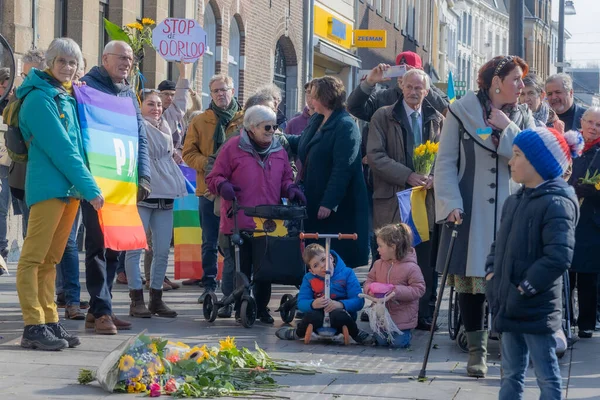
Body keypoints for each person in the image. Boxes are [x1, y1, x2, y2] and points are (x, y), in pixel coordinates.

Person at [433, 55, 535, 378]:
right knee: (471, 281)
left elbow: (535, 157)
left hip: (512, 210)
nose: (521, 86)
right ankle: (476, 351)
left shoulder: (525, 117)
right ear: (495, 82)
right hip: (470, 209)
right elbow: (446, 161)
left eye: (521, 80)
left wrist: (509, 130)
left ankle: (509, 348)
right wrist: (449, 202)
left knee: (509, 284)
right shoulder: (460, 111)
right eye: (515, 80)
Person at [15, 38, 103, 350]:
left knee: (51, 260)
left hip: (69, 190)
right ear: (50, 63)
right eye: (62, 61)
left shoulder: (63, 96)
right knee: (33, 259)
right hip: (49, 188)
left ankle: (49, 320)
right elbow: (62, 149)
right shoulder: (39, 99)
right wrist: (91, 188)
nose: (67, 67)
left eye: (72, 62)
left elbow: (79, 146)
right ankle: (33, 325)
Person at [485, 127, 581, 400]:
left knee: (546, 375)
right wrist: (492, 273)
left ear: (539, 163)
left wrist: (525, 287)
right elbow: (499, 243)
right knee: (510, 374)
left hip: (535, 306)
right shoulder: (514, 200)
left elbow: (558, 256)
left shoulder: (556, 203)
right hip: (508, 302)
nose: (510, 161)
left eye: (517, 155)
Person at [206, 105, 304, 324]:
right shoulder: (232, 147)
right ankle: (237, 303)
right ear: (251, 128)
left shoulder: (279, 150)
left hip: (269, 220)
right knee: (241, 265)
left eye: (275, 127)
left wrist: (291, 189)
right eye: (267, 127)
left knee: (264, 267)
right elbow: (213, 177)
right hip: (239, 217)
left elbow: (286, 177)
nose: (272, 131)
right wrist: (223, 186)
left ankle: (260, 308)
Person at [80, 40, 151, 335]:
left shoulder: (129, 95)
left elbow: (140, 136)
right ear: (105, 59)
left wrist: (143, 177)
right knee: (97, 245)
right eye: (121, 58)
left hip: (123, 180)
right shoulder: (86, 87)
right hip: (97, 181)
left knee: (114, 247)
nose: (127, 64)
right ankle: (102, 310)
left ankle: (99, 309)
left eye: (130, 60)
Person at [367, 68, 443, 331]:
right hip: (392, 199)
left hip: (425, 202)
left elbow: (445, 157)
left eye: (418, 88)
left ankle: (421, 314)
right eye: (409, 87)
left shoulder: (436, 119)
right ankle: (381, 310)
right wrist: (408, 176)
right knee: (389, 255)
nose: (413, 92)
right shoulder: (383, 116)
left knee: (422, 259)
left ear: (427, 90)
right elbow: (375, 156)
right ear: (401, 86)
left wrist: (433, 176)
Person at [286, 76, 369, 268]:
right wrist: (280, 137)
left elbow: (343, 168)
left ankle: (333, 294)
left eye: (313, 96)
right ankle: (317, 291)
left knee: (334, 257)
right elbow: (304, 144)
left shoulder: (345, 126)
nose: (310, 101)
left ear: (324, 98)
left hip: (338, 208)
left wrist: (329, 203)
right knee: (317, 255)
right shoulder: (317, 119)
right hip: (314, 198)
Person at [125, 89, 187, 319]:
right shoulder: (136, 124)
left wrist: (184, 74)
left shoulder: (167, 125)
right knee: (134, 250)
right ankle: (136, 299)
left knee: (161, 251)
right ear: (141, 107)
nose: (156, 108)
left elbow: (179, 104)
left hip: (166, 192)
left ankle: (157, 298)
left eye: (159, 104)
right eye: (151, 104)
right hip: (144, 193)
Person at [182, 74, 243, 293]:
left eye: (224, 90)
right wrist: (210, 163)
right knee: (209, 240)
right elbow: (187, 153)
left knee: (238, 239)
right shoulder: (200, 120)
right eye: (215, 91)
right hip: (208, 189)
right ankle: (208, 285)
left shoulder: (245, 119)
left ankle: (239, 284)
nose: (220, 94)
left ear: (233, 91)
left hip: (238, 190)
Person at [275, 243, 372, 344]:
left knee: (340, 316)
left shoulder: (347, 273)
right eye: (316, 265)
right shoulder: (309, 278)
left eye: (323, 260)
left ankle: (356, 333)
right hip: (319, 316)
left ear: (331, 258)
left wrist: (341, 304)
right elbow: (301, 302)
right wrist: (313, 304)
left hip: (341, 315)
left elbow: (359, 301)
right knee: (311, 316)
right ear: (312, 271)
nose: (322, 266)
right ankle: (298, 333)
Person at [567, 107, 600, 339]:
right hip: (568, 217)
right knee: (566, 273)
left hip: (592, 220)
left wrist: (594, 191)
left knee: (588, 275)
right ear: (582, 121)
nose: (593, 128)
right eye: (590, 122)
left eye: (598, 125)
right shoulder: (571, 145)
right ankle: (566, 319)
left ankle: (587, 322)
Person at [364, 224, 426, 347]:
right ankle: (384, 333)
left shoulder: (411, 267)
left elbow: (419, 289)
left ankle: (406, 334)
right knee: (381, 342)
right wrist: (369, 290)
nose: (377, 249)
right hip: (381, 316)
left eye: (380, 246)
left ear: (393, 247)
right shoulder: (378, 264)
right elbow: (369, 280)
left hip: (402, 318)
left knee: (398, 344)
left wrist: (395, 291)